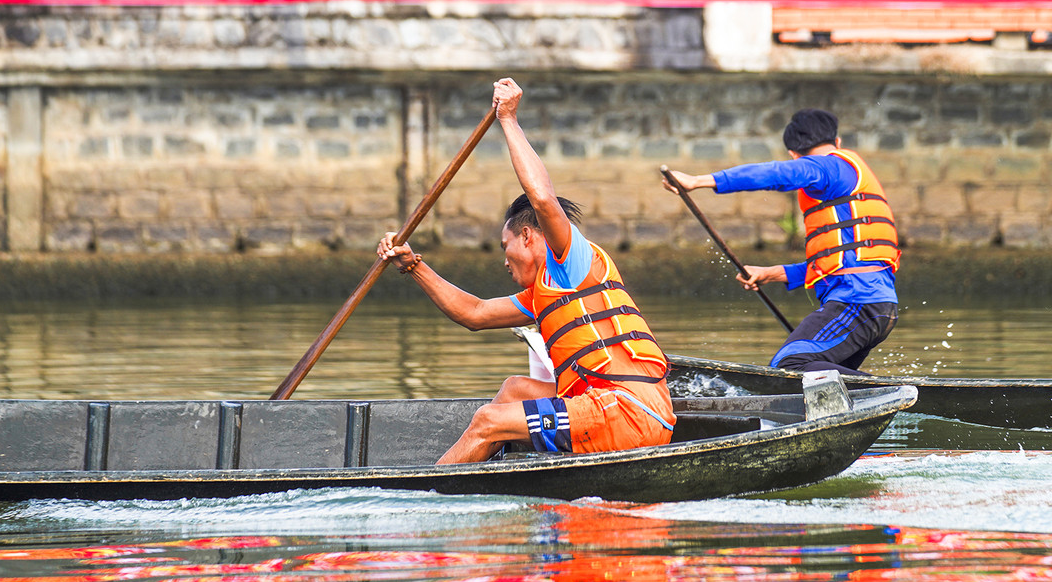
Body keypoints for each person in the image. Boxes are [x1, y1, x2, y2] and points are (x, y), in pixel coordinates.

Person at [377, 78, 675, 464]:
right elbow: (475, 314)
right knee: (515, 388)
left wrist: (509, 119)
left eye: (507, 247)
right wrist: (413, 265)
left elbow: (542, 199)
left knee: (488, 419)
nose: (504, 260)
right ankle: (486, 471)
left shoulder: (573, 263)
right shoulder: (542, 295)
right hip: (601, 409)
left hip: (627, 413)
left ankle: (424, 499)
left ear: (530, 237)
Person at [662, 109, 900, 376]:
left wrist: (699, 181)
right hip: (877, 305)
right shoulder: (848, 179)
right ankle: (882, 400)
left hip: (856, 303)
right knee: (821, 383)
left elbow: (775, 173)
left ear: (794, 154)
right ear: (838, 141)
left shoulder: (826, 166)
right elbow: (838, 265)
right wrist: (770, 273)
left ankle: (900, 393)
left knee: (789, 366)